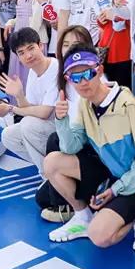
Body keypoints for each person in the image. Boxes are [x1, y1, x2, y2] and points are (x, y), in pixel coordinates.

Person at [44, 42, 135, 253]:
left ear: (100, 70)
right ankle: (83, 217)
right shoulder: (85, 104)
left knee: (99, 236)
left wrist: (115, 191)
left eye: (88, 73)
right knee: (52, 162)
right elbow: (71, 147)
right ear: (68, 80)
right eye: (75, 77)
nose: (83, 82)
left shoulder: (129, 106)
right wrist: (61, 120)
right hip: (111, 174)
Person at [36, 25, 91, 224]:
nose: (69, 50)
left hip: (90, 148)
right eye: (65, 45)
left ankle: (66, 206)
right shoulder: (62, 79)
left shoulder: (93, 78)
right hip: (73, 142)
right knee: (41, 199)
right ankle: (62, 195)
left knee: (55, 139)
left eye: (76, 44)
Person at [0, 28, 60, 179]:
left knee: (28, 125)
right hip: (47, 127)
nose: (28, 56)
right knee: (8, 135)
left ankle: (49, 176)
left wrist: (11, 109)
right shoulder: (33, 72)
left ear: (40, 46)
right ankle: (53, 170)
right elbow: (30, 109)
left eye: (31, 48)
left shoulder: (55, 68)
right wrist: (19, 95)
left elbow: (44, 113)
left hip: (63, 127)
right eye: (21, 53)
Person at [0, 0, 46, 87]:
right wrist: (11, 22)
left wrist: (27, 44)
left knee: (31, 80)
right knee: (18, 78)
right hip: (19, 38)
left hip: (31, 41)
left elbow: (37, 21)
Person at [95, 0, 134, 89]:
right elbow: (103, 24)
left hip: (126, 52)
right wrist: (101, 19)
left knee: (126, 95)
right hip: (107, 52)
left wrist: (116, 17)